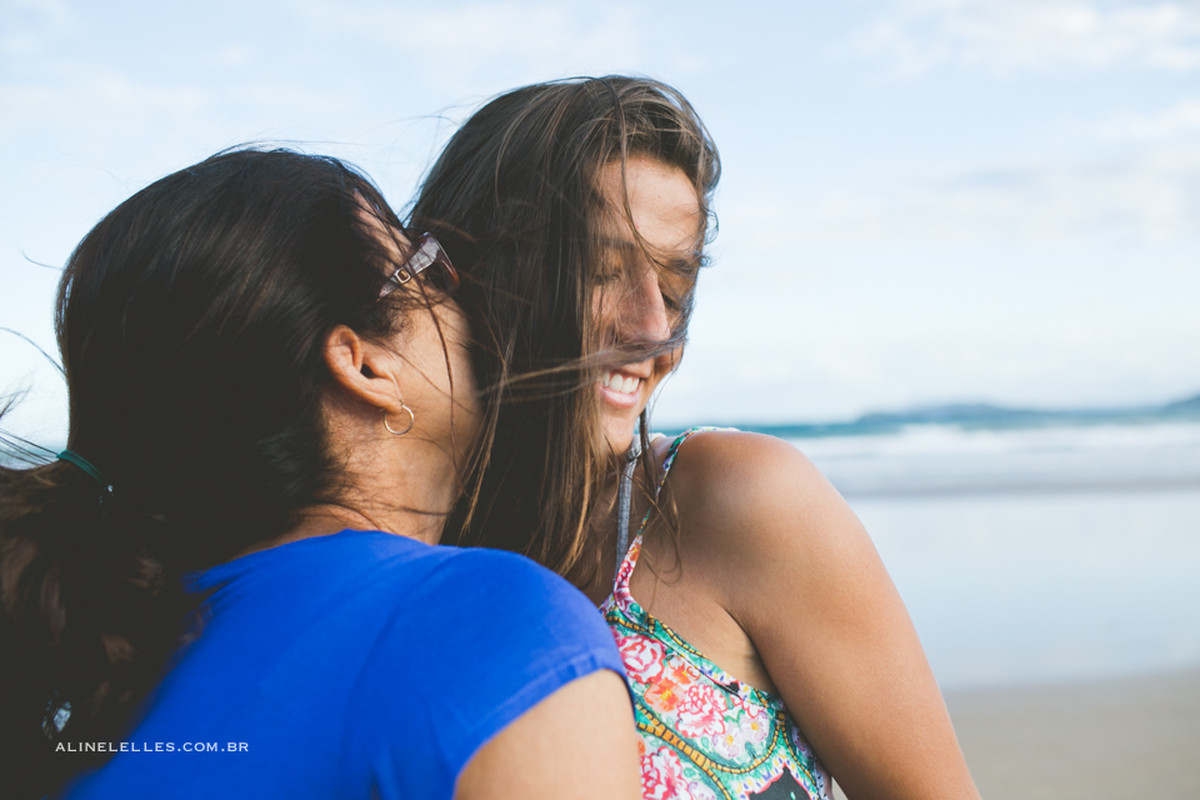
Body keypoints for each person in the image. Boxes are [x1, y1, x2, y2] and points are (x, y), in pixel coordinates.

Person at [0, 149, 640, 800]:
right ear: (365, 367)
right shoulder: (491, 626)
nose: (467, 298)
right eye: (427, 269)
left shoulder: (109, 685)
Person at [411, 76, 982, 799]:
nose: (654, 328)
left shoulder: (732, 503)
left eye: (675, 289)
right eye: (601, 270)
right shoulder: (398, 564)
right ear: (470, 269)